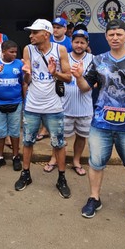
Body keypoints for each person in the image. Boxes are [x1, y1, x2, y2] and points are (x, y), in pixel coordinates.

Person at [72, 19, 125, 225]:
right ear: (106, 37)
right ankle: (94, 198)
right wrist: (77, 76)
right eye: (111, 35)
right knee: (96, 163)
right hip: (101, 123)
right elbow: (85, 87)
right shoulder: (98, 60)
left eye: (119, 34)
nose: (115, 38)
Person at [15, 19, 72, 198]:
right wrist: (26, 74)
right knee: (28, 141)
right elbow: (27, 81)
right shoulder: (28, 49)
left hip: (54, 106)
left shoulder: (60, 50)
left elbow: (69, 78)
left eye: (34, 32)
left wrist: (54, 72)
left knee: (58, 143)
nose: (30, 36)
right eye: (30, 32)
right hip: (32, 105)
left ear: (45, 34)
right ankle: (25, 174)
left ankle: (61, 178)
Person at [43, 29, 93, 176]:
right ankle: (54, 159)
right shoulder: (64, 58)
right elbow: (56, 77)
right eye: (76, 42)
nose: (79, 45)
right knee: (59, 137)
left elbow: (96, 82)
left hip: (84, 107)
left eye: (82, 42)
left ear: (87, 44)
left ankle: (76, 161)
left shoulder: (93, 59)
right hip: (64, 105)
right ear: (71, 43)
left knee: (81, 136)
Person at [0, 40, 25, 171]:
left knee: (15, 131)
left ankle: (16, 157)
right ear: (3, 51)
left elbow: (24, 82)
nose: (14, 54)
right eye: (11, 52)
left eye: (16, 52)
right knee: (0, 132)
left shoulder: (20, 64)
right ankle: (0, 157)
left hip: (16, 102)